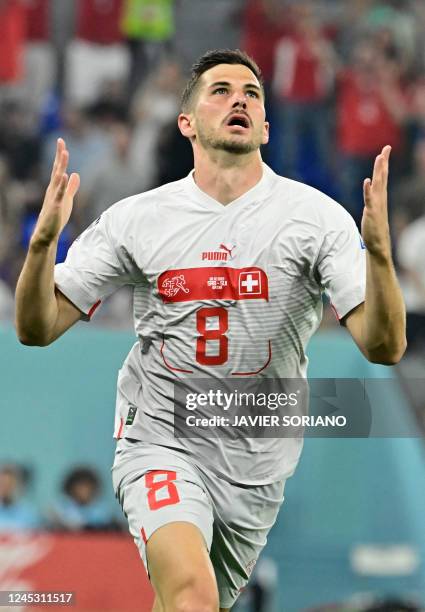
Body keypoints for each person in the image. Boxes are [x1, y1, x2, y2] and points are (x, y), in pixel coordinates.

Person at [15, 49, 406, 612]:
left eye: (250, 93)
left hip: (258, 463)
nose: (238, 99)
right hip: (160, 439)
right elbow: (36, 328)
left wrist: (380, 257)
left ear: (266, 127)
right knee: (193, 597)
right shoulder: (138, 218)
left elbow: (385, 345)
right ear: (187, 123)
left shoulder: (315, 218)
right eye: (220, 91)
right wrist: (40, 245)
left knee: (189, 602)